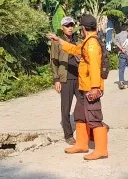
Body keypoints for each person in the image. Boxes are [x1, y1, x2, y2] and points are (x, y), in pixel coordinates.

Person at [46, 14, 108, 161]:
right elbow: (74, 50)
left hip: (90, 88)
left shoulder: (92, 44)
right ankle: (81, 144)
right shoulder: (86, 42)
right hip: (83, 86)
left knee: (94, 117)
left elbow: (93, 66)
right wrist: (59, 40)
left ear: (84, 29)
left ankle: (101, 150)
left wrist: (95, 87)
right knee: (79, 115)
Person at [50, 16, 80, 145]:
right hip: (65, 78)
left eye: (72, 25)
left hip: (79, 78)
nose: (70, 28)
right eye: (67, 25)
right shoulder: (57, 41)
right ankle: (68, 134)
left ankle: (85, 130)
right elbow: (53, 61)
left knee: (83, 105)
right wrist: (56, 79)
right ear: (62, 27)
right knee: (66, 108)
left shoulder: (78, 41)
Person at [114, 22, 128, 89]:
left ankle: (121, 82)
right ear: (127, 28)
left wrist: (121, 48)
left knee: (121, 69)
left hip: (122, 54)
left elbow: (115, 42)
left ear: (121, 27)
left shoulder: (117, 35)